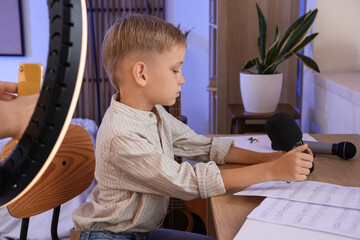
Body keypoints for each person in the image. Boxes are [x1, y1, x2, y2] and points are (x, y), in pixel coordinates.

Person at [72, 14, 313, 240]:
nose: (182, 78)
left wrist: (271, 159)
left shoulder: (154, 114)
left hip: (140, 232)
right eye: (175, 69)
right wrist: (271, 172)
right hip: (111, 235)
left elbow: (206, 147)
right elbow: (187, 182)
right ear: (141, 74)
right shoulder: (121, 135)